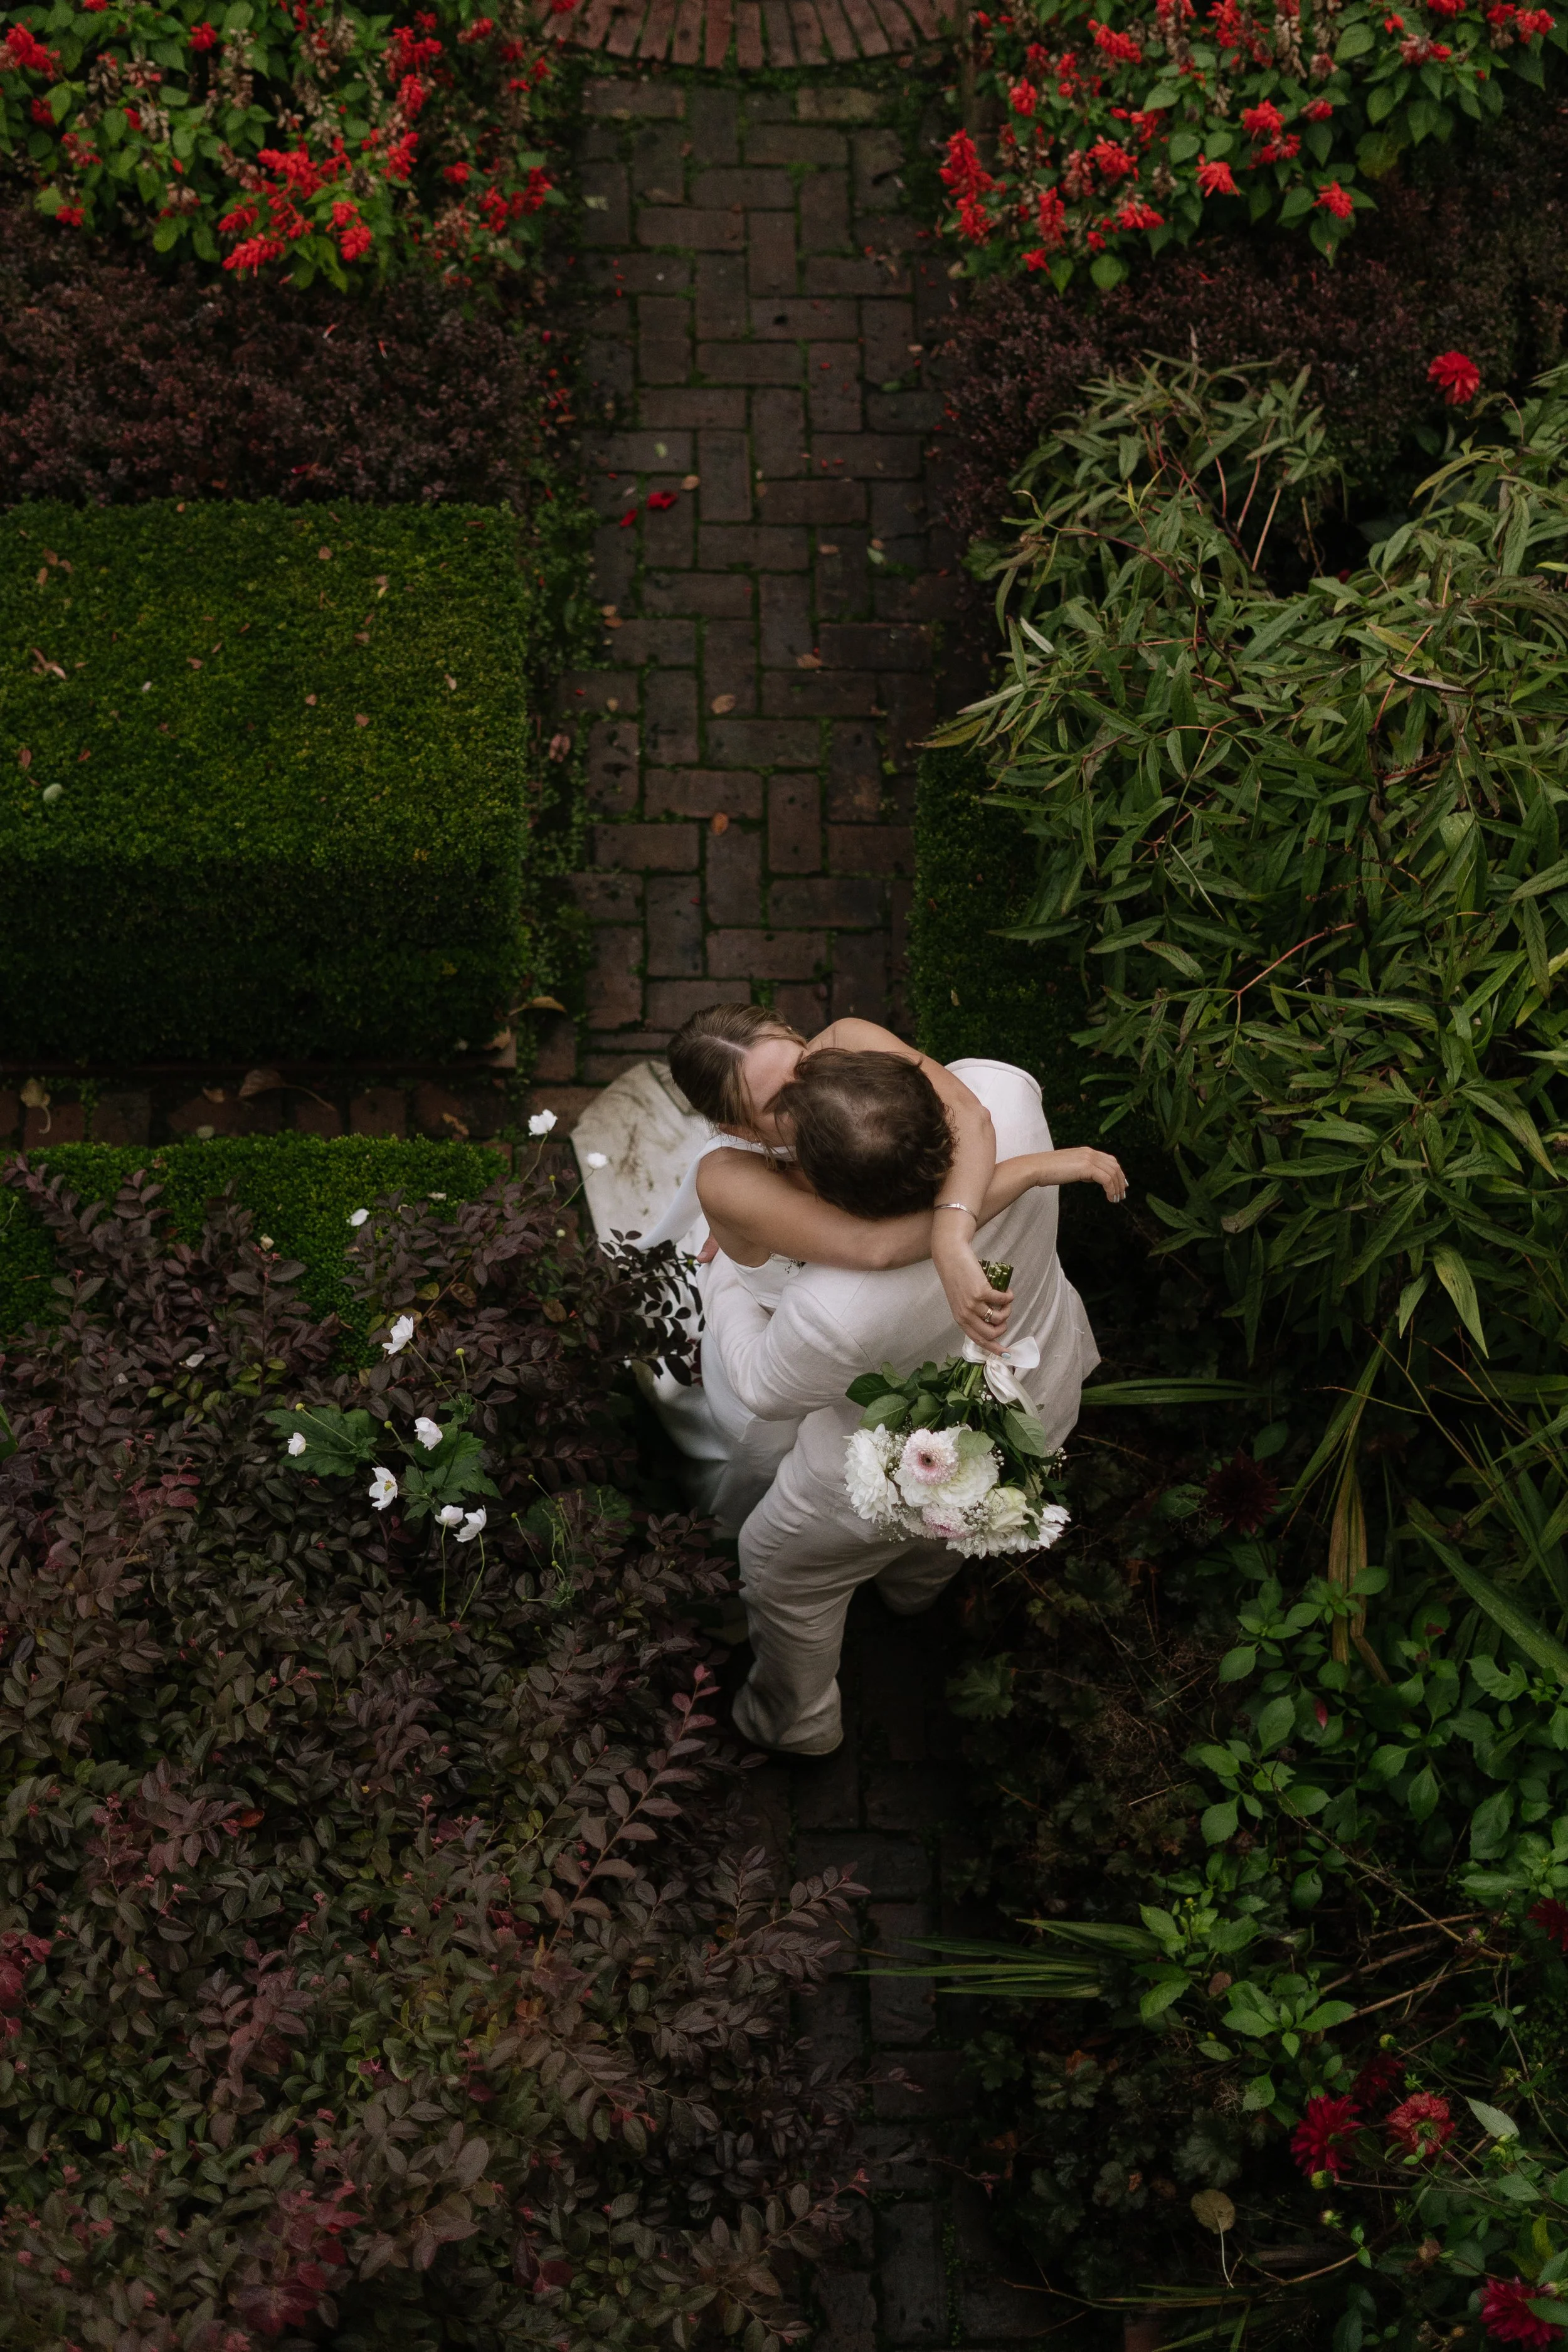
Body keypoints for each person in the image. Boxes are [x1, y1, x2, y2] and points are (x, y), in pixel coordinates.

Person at [695, 1045, 1107, 1756]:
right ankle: (914, 1593)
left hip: (882, 1473)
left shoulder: (832, 1309)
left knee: (783, 1574)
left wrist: (732, 1273)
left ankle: (796, 1724)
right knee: (952, 1522)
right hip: (1034, 1399)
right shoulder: (1004, 1094)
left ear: (821, 1189)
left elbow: (764, 1389)